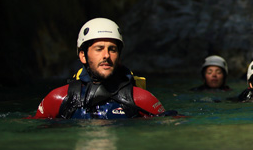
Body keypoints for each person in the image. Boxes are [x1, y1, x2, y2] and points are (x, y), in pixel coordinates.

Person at [34, 18, 168, 119]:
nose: (106, 55)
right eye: (99, 49)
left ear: (119, 56)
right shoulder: (58, 99)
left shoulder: (140, 99)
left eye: (112, 49)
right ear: (83, 56)